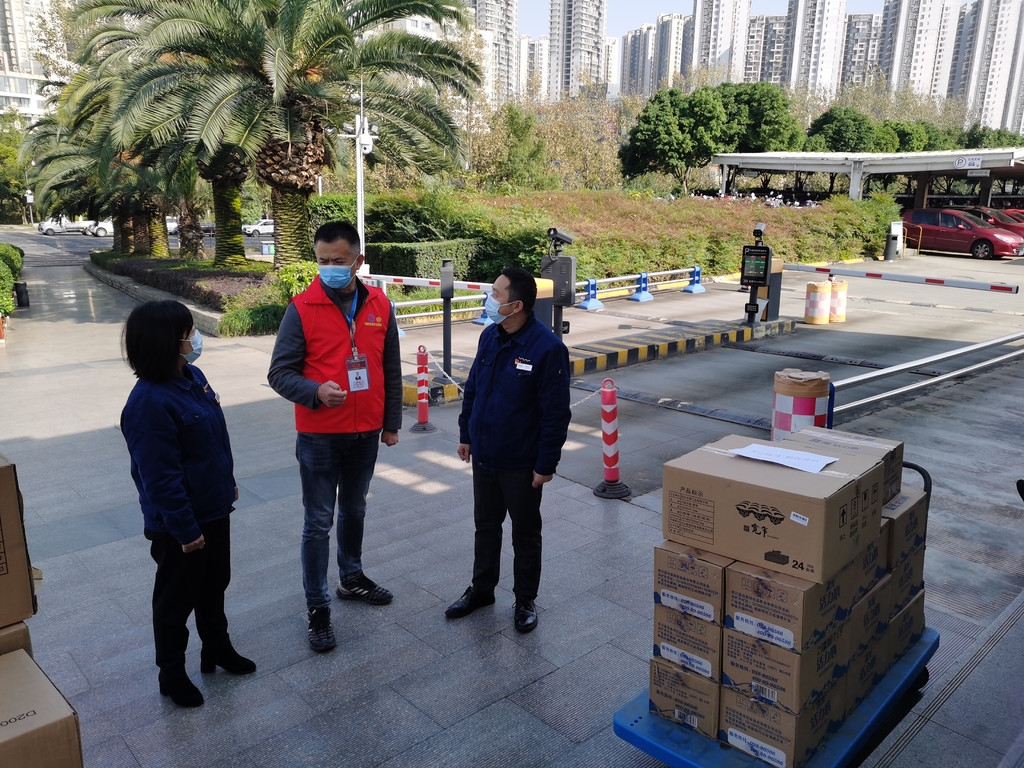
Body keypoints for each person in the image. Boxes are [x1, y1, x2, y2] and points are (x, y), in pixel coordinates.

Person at [268, 221, 402, 653]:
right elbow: (279, 373)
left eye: (338, 261)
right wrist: (314, 392)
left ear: (358, 261)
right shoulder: (301, 307)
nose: (329, 268)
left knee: (355, 509)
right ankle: (317, 606)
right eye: (322, 261)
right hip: (319, 435)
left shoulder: (380, 304)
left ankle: (352, 577)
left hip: (365, 432)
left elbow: (391, 368)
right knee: (318, 521)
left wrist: (391, 423)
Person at [121, 300, 254, 709]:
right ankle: (172, 673)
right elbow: (159, 478)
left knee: (214, 585)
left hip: (213, 508)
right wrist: (185, 529)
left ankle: (216, 648)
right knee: (175, 600)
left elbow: (213, 439)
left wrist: (227, 482)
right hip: (180, 524)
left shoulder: (193, 377)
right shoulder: (148, 404)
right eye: (188, 332)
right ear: (167, 342)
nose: (195, 338)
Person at [445, 268, 572, 633]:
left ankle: (525, 599)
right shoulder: (489, 336)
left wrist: (546, 464)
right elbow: (474, 389)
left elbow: (555, 414)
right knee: (485, 526)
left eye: (497, 294)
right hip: (485, 454)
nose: (490, 299)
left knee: (525, 533)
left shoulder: (547, 348)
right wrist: (466, 434)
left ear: (516, 306)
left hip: (521, 462)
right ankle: (482, 590)